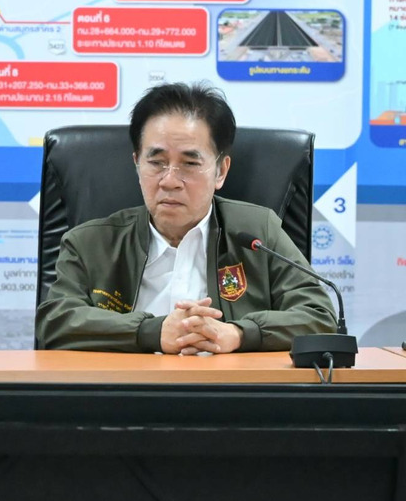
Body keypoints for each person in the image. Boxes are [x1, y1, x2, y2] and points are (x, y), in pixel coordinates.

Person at [36, 83, 336, 354]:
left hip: (230, 390)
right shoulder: (90, 243)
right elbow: (55, 320)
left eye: (190, 164)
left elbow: (319, 316)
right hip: (124, 391)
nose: (169, 181)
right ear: (137, 165)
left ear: (220, 171)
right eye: (156, 162)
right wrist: (151, 332)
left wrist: (239, 334)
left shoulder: (258, 233)